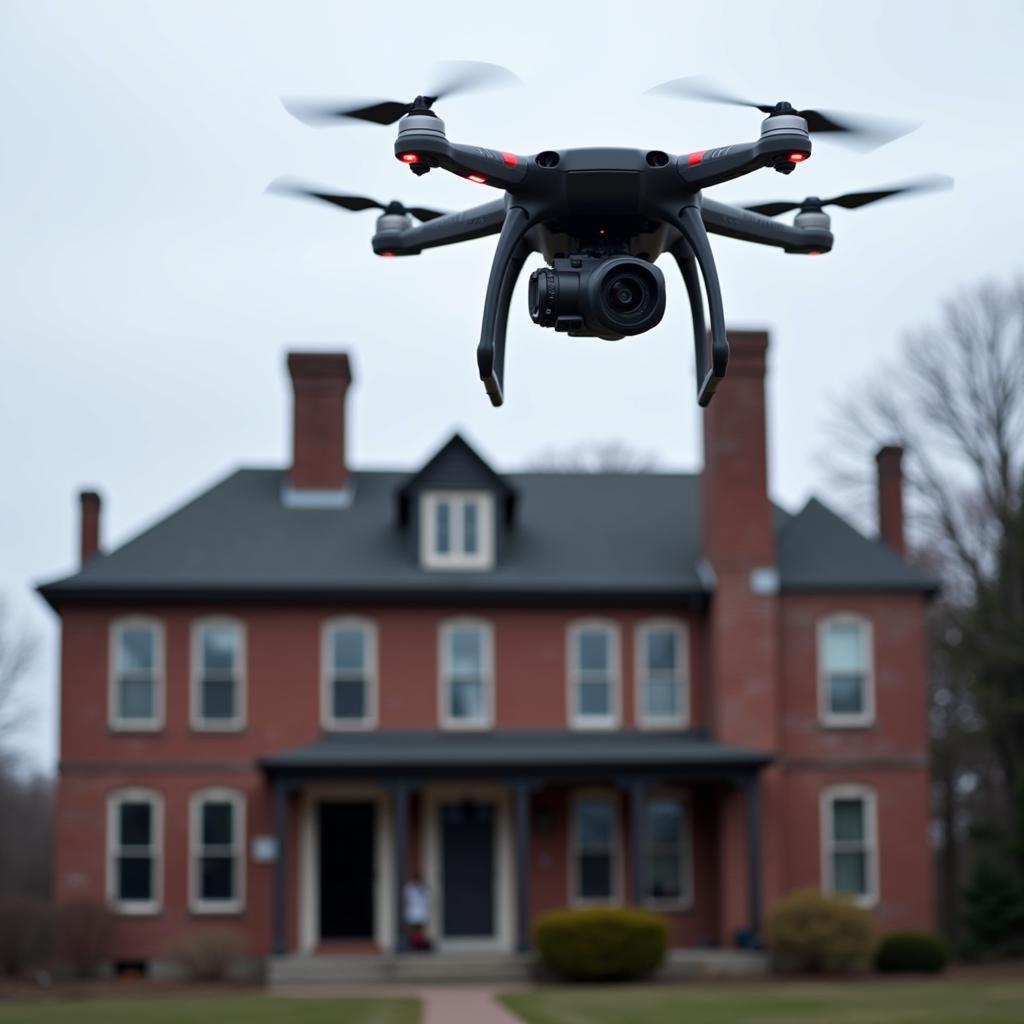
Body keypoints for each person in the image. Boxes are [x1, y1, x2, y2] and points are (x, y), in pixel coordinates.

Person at [403, 870, 431, 951]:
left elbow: (427, 899)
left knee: (420, 929)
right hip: (412, 911)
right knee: (413, 929)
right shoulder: (409, 887)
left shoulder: (424, 887)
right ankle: (413, 944)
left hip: (422, 912)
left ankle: (419, 945)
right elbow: (407, 899)